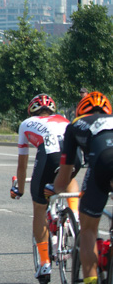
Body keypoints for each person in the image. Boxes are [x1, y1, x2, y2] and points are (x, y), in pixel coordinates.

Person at [11, 94, 80, 284]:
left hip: (50, 156)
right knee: (69, 177)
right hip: (75, 155)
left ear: (31, 110)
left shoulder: (27, 123)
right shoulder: (64, 119)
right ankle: (75, 217)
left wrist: (20, 190)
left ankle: (44, 263)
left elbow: (22, 163)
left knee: (39, 208)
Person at [50, 91, 113, 284]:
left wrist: (54, 190)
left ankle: (91, 280)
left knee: (88, 230)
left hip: (103, 162)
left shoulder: (76, 125)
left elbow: (64, 177)